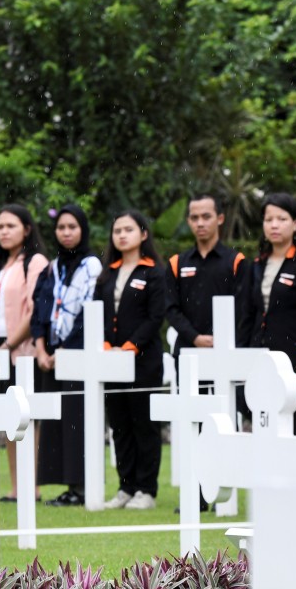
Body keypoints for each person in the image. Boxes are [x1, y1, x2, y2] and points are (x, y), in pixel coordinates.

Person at [31, 203, 102, 507]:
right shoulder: (52, 267)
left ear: (83, 230)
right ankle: (68, 486)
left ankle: (82, 487)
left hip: (78, 354)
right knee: (55, 422)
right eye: (61, 227)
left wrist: (65, 350)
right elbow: (40, 307)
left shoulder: (92, 266)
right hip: (50, 355)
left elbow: (89, 310)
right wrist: (41, 347)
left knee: (77, 420)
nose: (66, 232)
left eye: (72, 227)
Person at [97, 210, 166, 510]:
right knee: (120, 425)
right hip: (110, 361)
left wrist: (129, 347)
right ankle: (125, 487)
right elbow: (98, 313)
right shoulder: (108, 273)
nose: (122, 235)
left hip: (143, 361)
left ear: (143, 234)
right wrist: (105, 344)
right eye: (117, 230)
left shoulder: (153, 272)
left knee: (144, 424)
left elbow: (155, 317)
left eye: (129, 229)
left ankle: (146, 489)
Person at [0, 204, 48, 502]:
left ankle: (31, 485)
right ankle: (16, 487)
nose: (4, 232)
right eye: (0, 227)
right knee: (7, 419)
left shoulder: (34, 262)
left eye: (11, 226)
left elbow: (35, 309)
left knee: (27, 419)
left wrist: (8, 344)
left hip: (23, 353)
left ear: (27, 229)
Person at [246, 192, 296, 437]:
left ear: (295, 224)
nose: (274, 225)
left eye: (281, 219)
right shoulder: (258, 264)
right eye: (268, 219)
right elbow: (250, 313)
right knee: (266, 430)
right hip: (262, 359)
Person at [166, 193, 250, 366]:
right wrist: (195, 337)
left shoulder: (236, 261)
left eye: (206, 217)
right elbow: (170, 309)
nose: (200, 223)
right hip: (187, 353)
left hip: (227, 352)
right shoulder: (177, 263)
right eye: (194, 218)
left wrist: (216, 338)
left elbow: (242, 308)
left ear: (220, 219)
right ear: (188, 221)